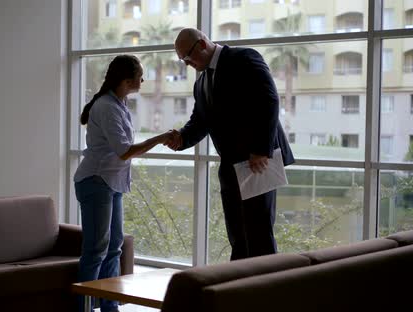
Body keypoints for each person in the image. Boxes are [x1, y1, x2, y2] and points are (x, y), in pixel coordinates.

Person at [166, 28, 295, 260]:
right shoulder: (202, 82)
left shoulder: (244, 58)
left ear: (202, 44)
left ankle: (264, 292)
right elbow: (200, 122)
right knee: (237, 235)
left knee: (259, 235)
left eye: (187, 57)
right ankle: (236, 290)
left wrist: (260, 149)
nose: (186, 64)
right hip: (230, 165)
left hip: (258, 163)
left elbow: (269, 99)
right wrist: (182, 138)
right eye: (182, 60)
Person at [73, 55, 173, 312]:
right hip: (96, 181)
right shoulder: (106, 106)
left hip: (112, 182)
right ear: (127, 80)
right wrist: (160, 138)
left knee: (114, 248)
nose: (143, 79)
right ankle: (82, 307)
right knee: (96, 249)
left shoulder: (120, 103)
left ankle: (110, 308)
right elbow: (124, 151)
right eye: (140, 75)